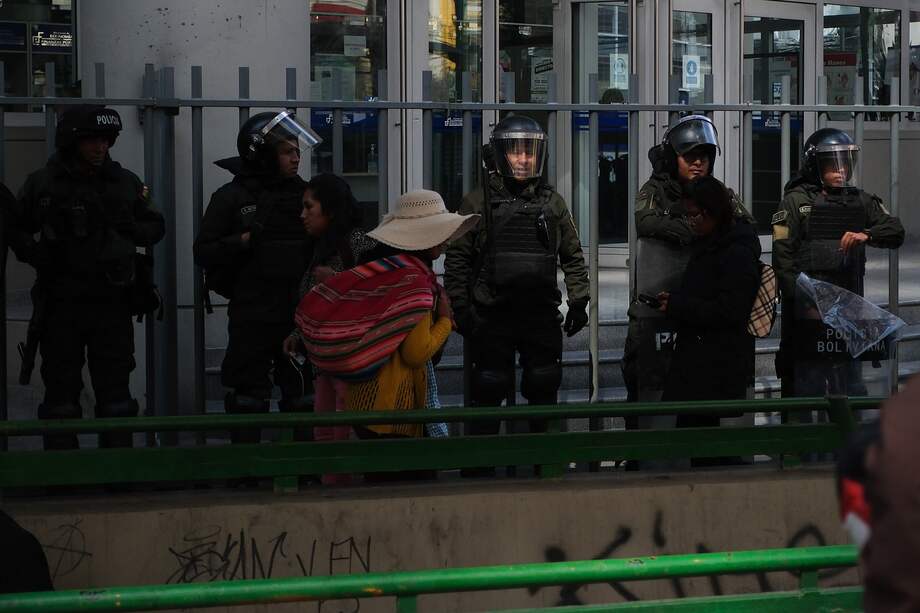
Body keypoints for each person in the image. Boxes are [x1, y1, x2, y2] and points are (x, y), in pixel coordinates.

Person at [11, 105, 165, 450]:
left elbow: (156, 225)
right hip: (61, 302)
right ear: (72, 141)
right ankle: (64, 477)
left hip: (111, 302)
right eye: (92, 141)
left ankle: (117, 473)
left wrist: (126, 230)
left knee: (115, 394)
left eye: (106, 140)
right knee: (61, 396)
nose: (101, 148)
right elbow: (18, 229)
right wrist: (37, 254)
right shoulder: (44, 183)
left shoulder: (124, 182)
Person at [296, 190, 478, 480]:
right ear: (424, 237)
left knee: (378, 486)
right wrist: (444, 321)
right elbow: (415, 353)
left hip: (366, 406)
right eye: (440, 232)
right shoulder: (414, 282)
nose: (446, 240)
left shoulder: (382, 271)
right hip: (394, 411)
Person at [444, 114, 589, 448]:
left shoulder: (552, 203)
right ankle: (482, 467)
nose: (524, 159)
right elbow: (458, 260)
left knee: (543, 385)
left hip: (539, 314)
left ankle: (543, 465)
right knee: (489, 389)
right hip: (492, 314)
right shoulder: (477, 202)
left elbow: (572, 255)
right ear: (500, 154)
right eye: (516, 151)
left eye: (529, 152)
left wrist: (579, 301)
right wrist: (461, 308)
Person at [194, 110, 321, 444]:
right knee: (248, 397)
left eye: (297, 150)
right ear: (262, 154)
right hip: (252, 313)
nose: (296, 157)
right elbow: (203, 251)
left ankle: (304, 472)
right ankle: (245, 474)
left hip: (297, 314)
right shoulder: (232, 197)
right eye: (287, 151)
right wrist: (243, 241)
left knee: (303, 395)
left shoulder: (306, 195)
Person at [622, 114, 752, 403]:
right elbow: (646, 221)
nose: (698, 163)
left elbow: (745, 225)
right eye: (690, 156)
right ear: (673, 158)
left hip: (703, 304)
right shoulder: (655, 189)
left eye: (704, 157)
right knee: (642, 377)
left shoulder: (717, 193)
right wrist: (695, 228)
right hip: (659, 300)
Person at [771, 128, 904, 397]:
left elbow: (895, 230)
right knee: (806, 388)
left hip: (848, 307)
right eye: (833, 164)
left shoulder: (859, 200)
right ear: (815, 165)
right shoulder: (796, 202)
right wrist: (805, 301)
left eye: (845, 163)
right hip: (808, 313)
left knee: (852, 386)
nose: (841, 170)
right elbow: (783, 260)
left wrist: (867, 234)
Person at [282, 173, 376, 484]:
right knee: (324, 430)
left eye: (310, 207)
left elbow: (375, 297)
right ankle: (330, 491)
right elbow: (315, 303)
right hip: (322, 360)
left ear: (331, 210)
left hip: (352, 362)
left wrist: (336, 282)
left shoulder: (360, 245)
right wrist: (299, 335)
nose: (302, 215)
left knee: (343, 431)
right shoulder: (317, 247)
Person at [657, 177, 761, 406]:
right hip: (699, 361)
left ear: (711, 211)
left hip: (714, 365)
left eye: (693, 215)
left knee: (700, 432)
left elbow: (729, 309)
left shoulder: (736, 251)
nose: (689, 221)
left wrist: (678, 306)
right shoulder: (709, 242)